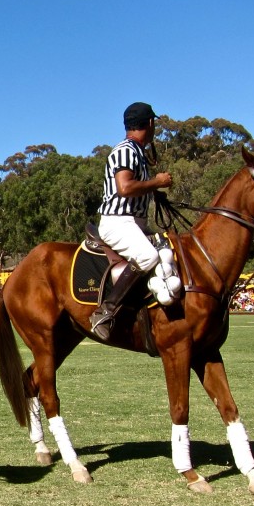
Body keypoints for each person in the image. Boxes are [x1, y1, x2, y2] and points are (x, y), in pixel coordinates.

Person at [90, 102, 173, 340]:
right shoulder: (126, 150)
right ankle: (105, 311)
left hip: (135, 223)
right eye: (154, 123)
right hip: (118, 222)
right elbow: (125, 187)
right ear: (149, 123)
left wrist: (153, 191)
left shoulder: (138, 153)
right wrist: (156, 182)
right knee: (148, 256)